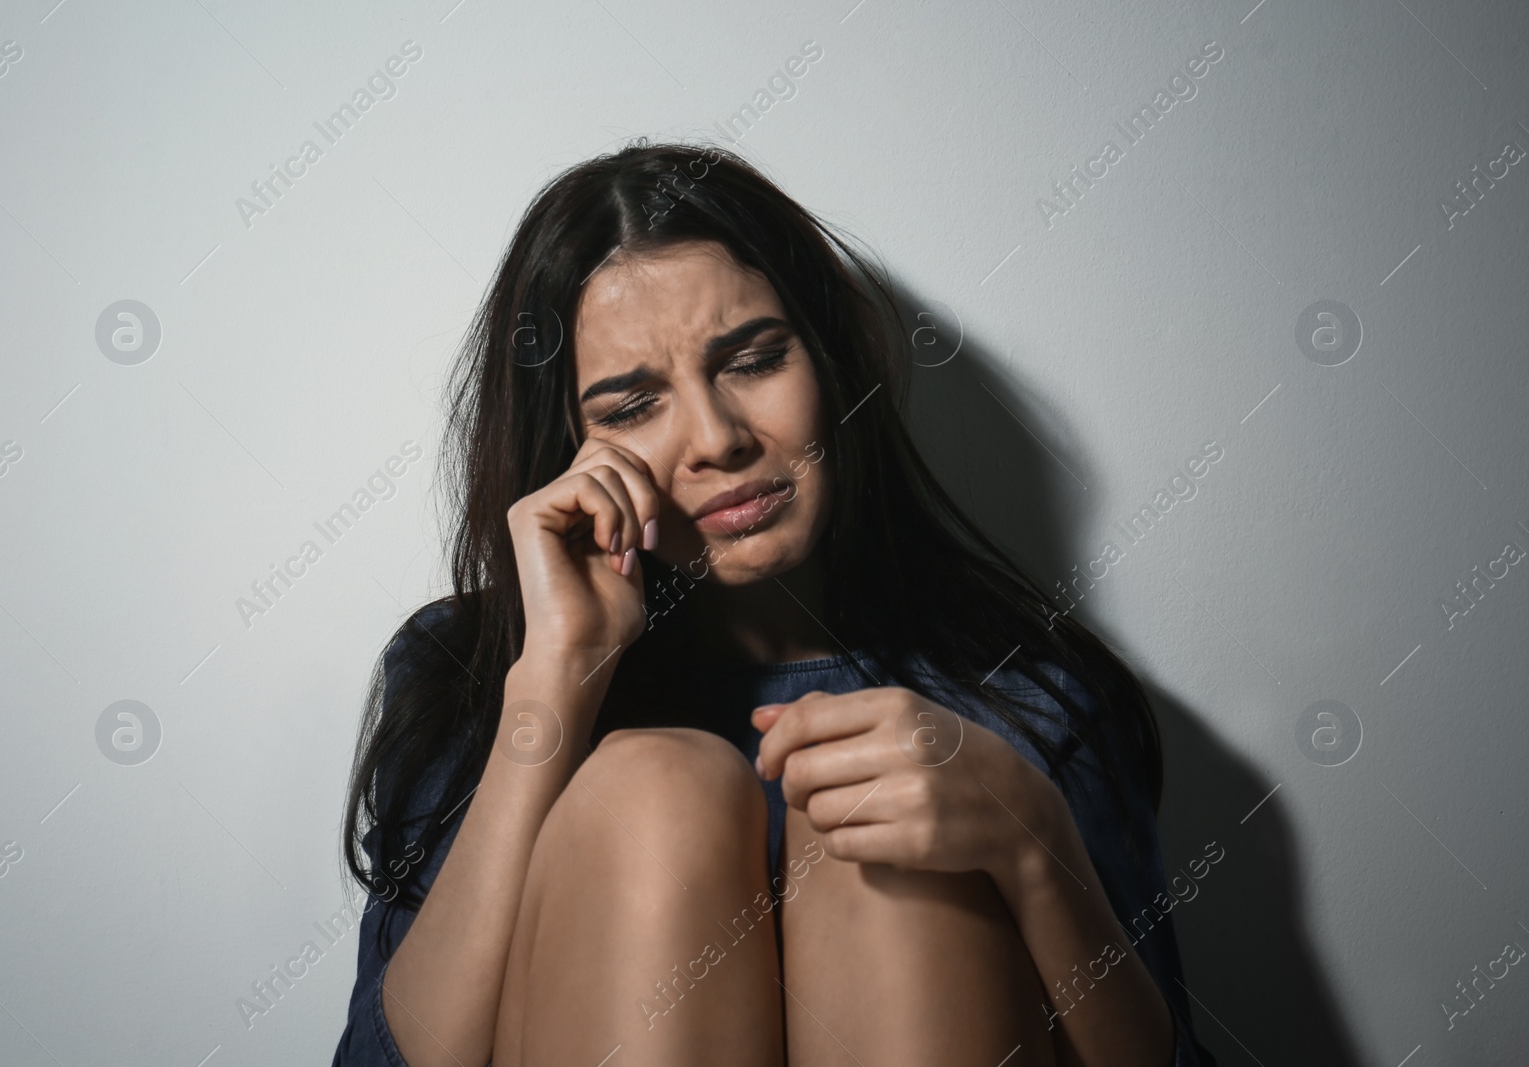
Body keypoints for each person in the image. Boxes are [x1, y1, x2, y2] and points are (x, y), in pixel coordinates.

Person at [332, 140, 1217, 1067]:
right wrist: (555, 680)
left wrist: (1036, 850)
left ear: (834, 360)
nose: (716, 439)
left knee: (884, 841)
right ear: (565, 449)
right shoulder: (470, 672)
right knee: (654, 791)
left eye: (753, 361)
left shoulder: (1025, 694)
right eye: (633, 407)